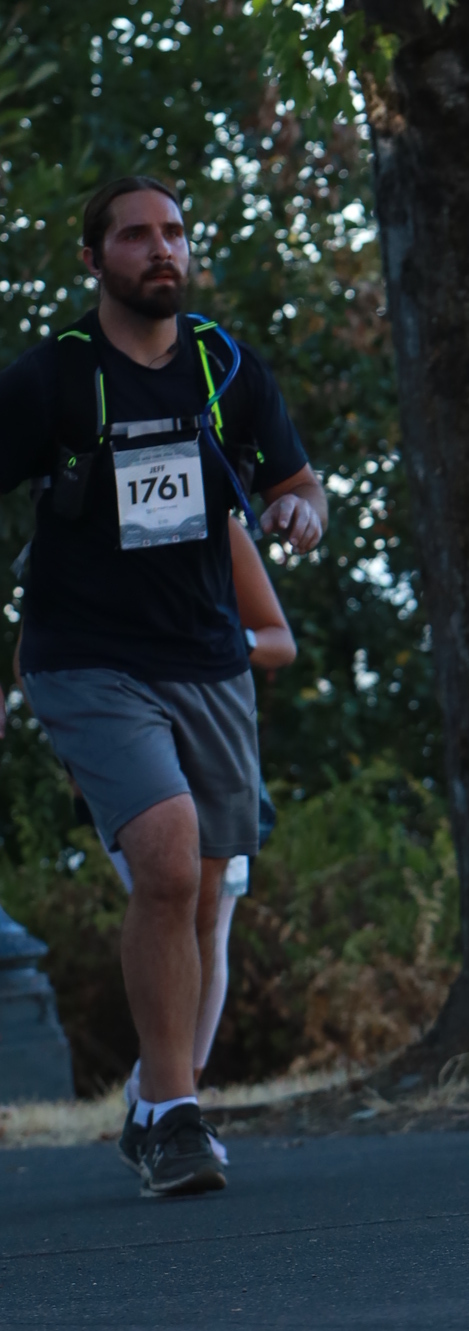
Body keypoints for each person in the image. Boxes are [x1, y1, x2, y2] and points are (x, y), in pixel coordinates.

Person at [0, 174, 325, 1194]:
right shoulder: (53, 377)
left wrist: (301, 513)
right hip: (86, 659)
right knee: (170, 860)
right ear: (93, 259)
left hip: (209, 660)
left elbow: (296, 481)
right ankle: (178, 1115)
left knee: (202, 890)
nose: (161, 249)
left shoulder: (225, 363)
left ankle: (149, 1104)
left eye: (174, 232)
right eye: (136, 235)